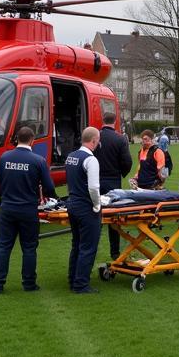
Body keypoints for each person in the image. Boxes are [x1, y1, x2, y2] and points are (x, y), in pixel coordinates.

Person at [0, 126, 57, 293]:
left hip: (7, 207)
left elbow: (0, 181)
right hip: (28, 209)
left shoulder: (5, 158)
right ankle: (28, 283)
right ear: (32, 140)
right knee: (29, 247)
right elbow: (49, 187)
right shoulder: (38, 161)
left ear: (17, 139)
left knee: (4, 246)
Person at [65, 126, 102, 294]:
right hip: (86, 207)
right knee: (88, 246)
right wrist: (97, 205)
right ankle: (81, 284)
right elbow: (94, 187)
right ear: (94, 141)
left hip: (72, 204)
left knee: (77, 244)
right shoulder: (91, 160)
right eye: (98, 140)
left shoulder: (71, 157)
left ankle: (73, 278)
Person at [94, 111, 133, 260]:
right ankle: (115, 252)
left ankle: (91, 251)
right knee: (113, 218)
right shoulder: (120, 139)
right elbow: (127, 162)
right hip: (112, 181)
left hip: (95, 180)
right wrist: (120, 173)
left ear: (102, 120)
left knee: (95, 217)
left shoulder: (95, 136)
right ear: (115, 121)